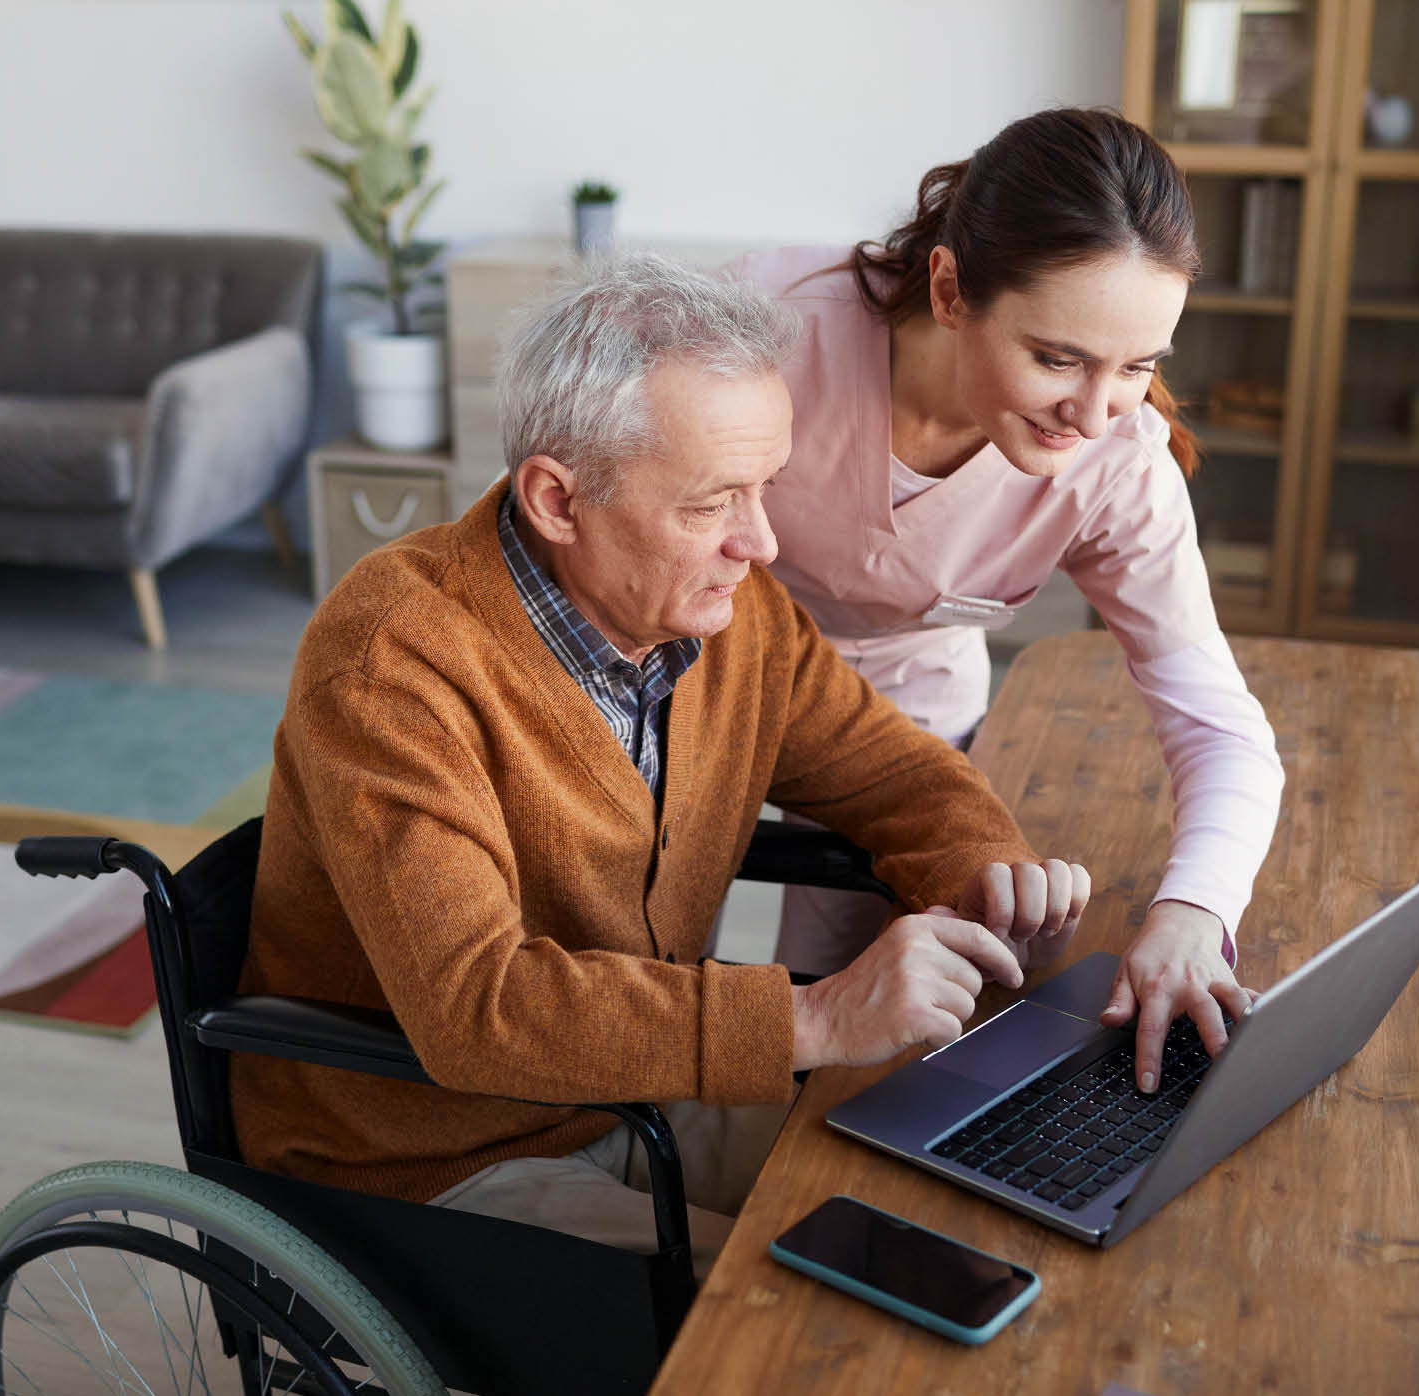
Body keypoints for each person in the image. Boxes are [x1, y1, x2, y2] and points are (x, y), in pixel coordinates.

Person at [230, 253, 1090, 1274]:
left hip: (636, 1095)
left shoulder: (729, 616)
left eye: (764, 488)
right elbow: (477, 1009)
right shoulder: (390, 661)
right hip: (432, 1154)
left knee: (966, 1187)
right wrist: (811, 1016)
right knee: (812, 1309)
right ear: (557, 499)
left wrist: (987, 866)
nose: (760, 543)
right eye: (711, 504)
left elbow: (884, 769)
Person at [726, 107, 1285, 1095]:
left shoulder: (1115, 463)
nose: (1094, 410)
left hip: (905, 727)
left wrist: (1195, 911)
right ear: (948, 288)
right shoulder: (762, 336)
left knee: (871, 1038)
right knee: (668, 978)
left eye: (1138, 365)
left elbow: (1216, 720)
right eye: (1058, 357)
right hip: (703, 682)